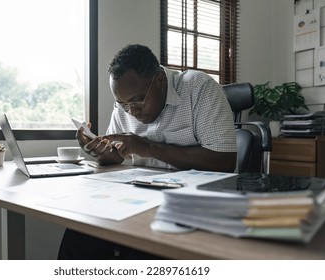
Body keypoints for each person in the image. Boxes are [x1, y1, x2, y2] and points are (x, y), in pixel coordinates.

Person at [58, 44, 237, 259]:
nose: (132, 111)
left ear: (160, 79)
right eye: (123, 104)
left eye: (138, 100)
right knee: (79, 234)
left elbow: (225, 161)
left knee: (143, 250)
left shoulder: (199, 88)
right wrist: (101, 154)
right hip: (141, 198)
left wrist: (148, 148)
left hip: (191, 204)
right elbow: (117, 156)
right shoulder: (125, 104)